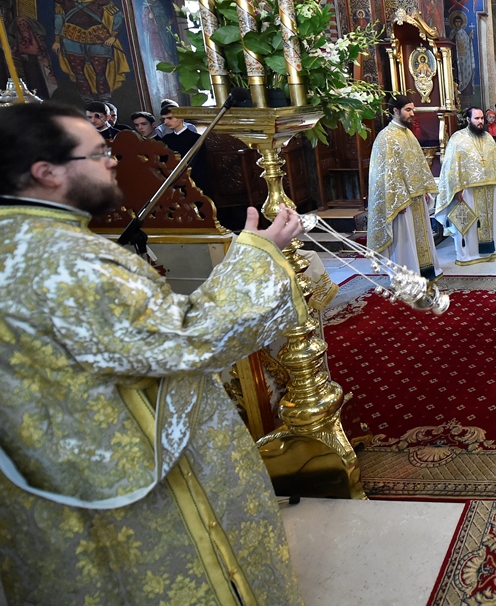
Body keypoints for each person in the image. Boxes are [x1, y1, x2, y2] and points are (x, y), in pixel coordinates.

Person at [0, 101, 306, 603]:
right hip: (126, 471)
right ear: (46, 172)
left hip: (47, 474)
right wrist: (259, 254)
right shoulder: (70, 261)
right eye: (98, 153)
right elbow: (190, 339)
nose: (113, 160)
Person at [367, 96, 439, 280]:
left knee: (418, 239)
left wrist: (424, 189)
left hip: (416, 198)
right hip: (401, 203)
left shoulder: (409, 134)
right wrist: (396, 201)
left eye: (413, 109)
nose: (412, 114)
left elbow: (418, 165)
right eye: (408, 110)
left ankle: (422, 273)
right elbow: (386, 174)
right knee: (404, 243)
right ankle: (405, 278)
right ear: (395, 111)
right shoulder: (386, 137)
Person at [437, 107, 496, 265]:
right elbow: (451, 166)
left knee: (491, 222)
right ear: (468, 120)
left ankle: (494, 249)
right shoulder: (457, 138)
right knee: (469, 225)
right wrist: (456, 188)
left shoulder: (488, 138)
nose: (480, 121)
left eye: (482, 118)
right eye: (477, 118)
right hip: (467, 190)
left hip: (489, 188)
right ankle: (470, 254)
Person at [158, 105, 211, 197]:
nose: (166, 122)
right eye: (164, 119)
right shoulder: (166, 139)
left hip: (194, 181)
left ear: (180, 117)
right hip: (172, 181)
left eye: (170, 118)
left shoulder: (195, 138)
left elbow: (200, 165)